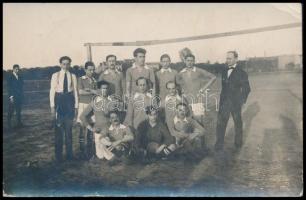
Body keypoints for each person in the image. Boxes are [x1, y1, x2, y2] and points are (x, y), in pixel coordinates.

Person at [214, 51, 251, 151]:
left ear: (236, 59)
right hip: (224, 102)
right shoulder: (224, 70)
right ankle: (219, 143)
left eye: (230, 58)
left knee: (237, 122)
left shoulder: (242, 73)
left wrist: (241, 101)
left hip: (235, 103)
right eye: (227, 58)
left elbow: (247, 89)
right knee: (221, 123)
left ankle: (238, 143)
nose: (227, 60)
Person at [80, 80, 121, 159]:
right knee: (100, 156)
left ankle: (113, 154)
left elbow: (118, 117)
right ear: (98, 90)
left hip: (110, 130)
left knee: (105, 146)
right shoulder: (95, 102)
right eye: (103, 89)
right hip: (99, 130)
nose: (105, 90)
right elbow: (82, 116)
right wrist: (91, 128)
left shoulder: (112, 101)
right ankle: (112, 154)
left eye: (106, 88)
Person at [50, 56, 79, 162]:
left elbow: (75, 91)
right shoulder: (55, 75)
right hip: (59, 101)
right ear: (60, 64)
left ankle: (70, 155)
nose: (66, 66)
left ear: (70, 64)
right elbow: (52, 91)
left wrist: (76, 106)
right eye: (64, 64)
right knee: (58, 131)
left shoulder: (73, 75)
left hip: (69, 102)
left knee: (69, 130)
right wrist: (52, 107)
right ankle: (58, 156)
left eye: (68, 64)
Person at [175, 54, 216, 122]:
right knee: (188, 121)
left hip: (197, 100)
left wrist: (203, 89)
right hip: (186, 101)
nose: (189, 62)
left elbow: (213, 77)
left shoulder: (198, 70)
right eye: (188, 60)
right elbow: (177, 84)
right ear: (185, 61)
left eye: (191, 61)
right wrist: (181, 92)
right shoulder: (181, 73)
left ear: (194, 61)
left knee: (199, 121)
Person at [76, 61, 97, 160]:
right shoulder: (81, 79)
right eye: (89, 70)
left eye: (93, 70)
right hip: (83, 105)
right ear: (85, 70)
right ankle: (81, 150)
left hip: (92, 106)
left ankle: (89, 151)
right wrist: (92, 92)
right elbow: (80, 91)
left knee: (91, 128)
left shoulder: (94, 80)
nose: (92, 71)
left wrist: (91, 90)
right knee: (82, 127)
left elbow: (97, 92)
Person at [7, 64, 24, 130]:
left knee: (19, 110)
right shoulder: (10, 77)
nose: (17, 70)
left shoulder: (19, 76)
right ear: (13, 69)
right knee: (11, 110)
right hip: (13, 97)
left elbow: (22, 85)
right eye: (16, 69)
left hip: (19, 96)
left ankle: (19, 123)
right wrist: (11, 97)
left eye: (18, 69)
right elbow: (9, 88)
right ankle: (9, 124)